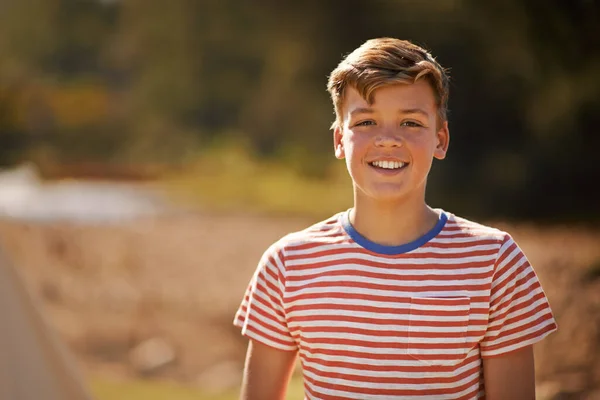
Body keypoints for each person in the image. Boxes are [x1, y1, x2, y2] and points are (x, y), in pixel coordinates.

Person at [233, 37, 557, 400]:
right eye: (367, 121)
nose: (388, 139)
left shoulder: (496, 262)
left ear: (441, 139)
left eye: (411, 123)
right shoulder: (287, 265)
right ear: (340, 140)